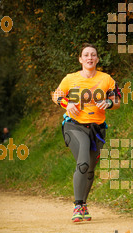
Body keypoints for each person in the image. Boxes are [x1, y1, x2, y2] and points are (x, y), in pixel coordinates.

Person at [52, 43, 121, 222]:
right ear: (80, 59)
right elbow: (56, 95)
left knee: (90, 170)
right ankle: (77, 206)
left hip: (97, 129)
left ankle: (83, 204)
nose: (90, 57)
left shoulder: (107, 79)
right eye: (86, 55)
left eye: (93, 55)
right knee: (82, 162)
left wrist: (109, 103)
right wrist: (68, 104)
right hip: (74, 126)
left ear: (97, 59)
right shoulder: (70, 79)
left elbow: (117, 100)